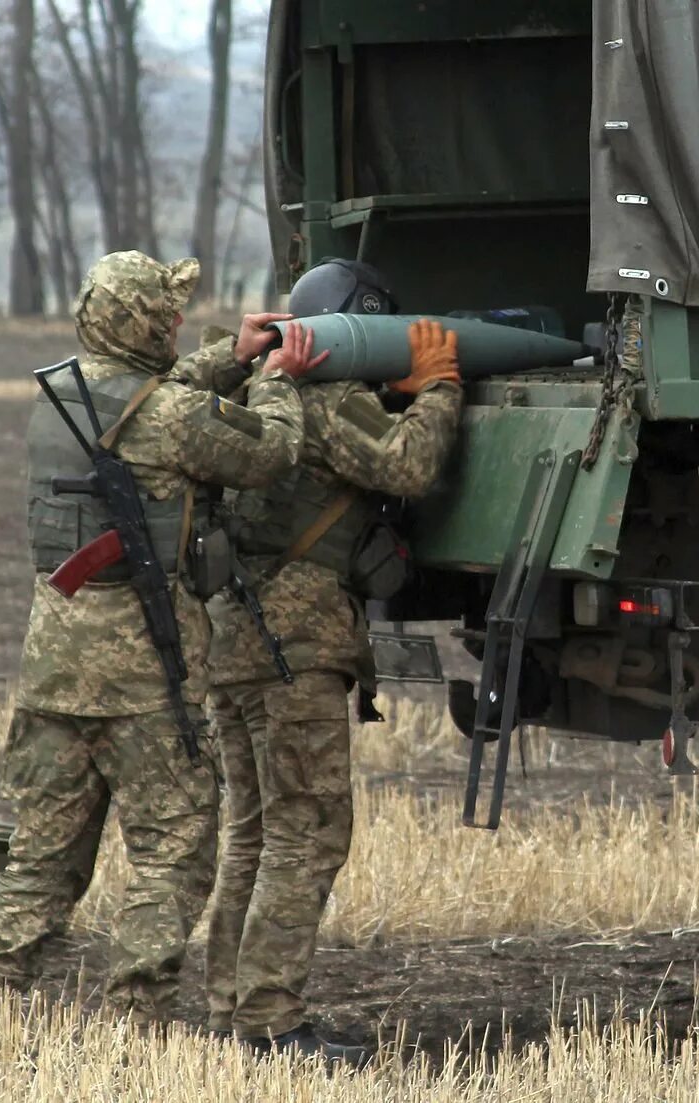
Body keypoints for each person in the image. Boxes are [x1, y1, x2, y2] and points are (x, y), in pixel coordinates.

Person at [0, 251, 324, 1026]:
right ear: (144, 323)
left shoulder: (61, 396)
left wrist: (229, 353)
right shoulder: (171, 419)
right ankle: (137, 1018)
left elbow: (152, 397)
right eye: (169, 315)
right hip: (144, 683)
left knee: (41, 857)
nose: (180, 322)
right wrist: (278, 378)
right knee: (172, 854)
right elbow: (269, 450)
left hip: (52, 667)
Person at [202, 258, 463, 1060]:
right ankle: (271, 1020)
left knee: (251, 831)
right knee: (307, 831)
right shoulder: (329, 404)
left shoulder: (254, 394)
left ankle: (230, 1008)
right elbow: (412, 466)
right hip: (297, 646)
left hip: (235, 640)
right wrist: (438, 385)